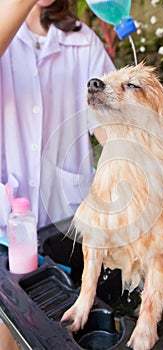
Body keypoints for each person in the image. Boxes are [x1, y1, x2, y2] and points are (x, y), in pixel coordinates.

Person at [0, 0, 115, 348]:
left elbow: (110, 127)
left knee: (58, 335)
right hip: (4, 233)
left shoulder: (83, 41)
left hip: (64, 231)